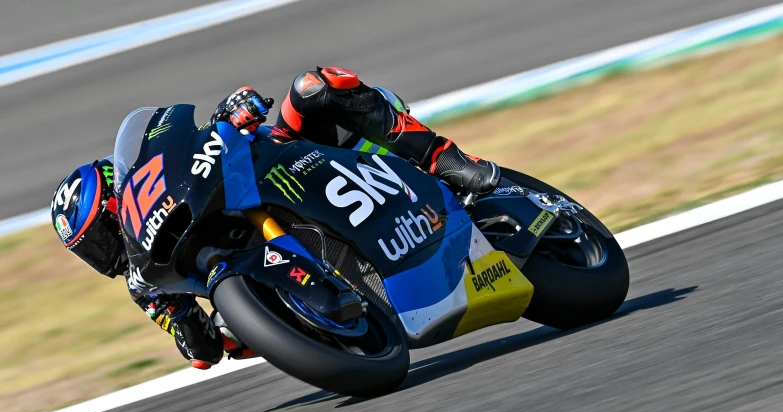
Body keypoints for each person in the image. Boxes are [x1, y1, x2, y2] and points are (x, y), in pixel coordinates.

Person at [50, 67, 501, 370]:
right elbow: (203, 352)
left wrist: (233, 114)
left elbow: (224, 127)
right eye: (90, 249)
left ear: (118, 197)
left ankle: (444, 158)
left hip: (290, 158)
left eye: (101, 234)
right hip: (283, 289)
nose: (104, 252)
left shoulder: (177, 174)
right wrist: (197, 326)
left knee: (314, 86)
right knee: (231, 333)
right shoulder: (147, 284)